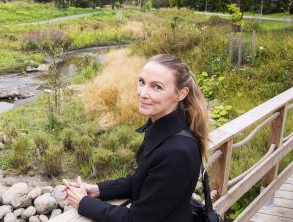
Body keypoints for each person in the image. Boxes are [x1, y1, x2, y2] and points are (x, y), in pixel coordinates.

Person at [63, 54, 210, 222]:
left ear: (181, 94)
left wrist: (84, 203)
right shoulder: (165, 129)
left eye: (157, 87)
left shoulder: (177, 151)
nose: (143, 93)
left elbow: (137, 220)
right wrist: (97, 190)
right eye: (142, 82)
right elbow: (144, 180)